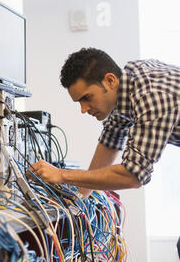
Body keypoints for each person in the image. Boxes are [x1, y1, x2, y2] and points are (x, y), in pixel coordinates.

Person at [29, 48, 180, 198]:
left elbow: (132, 176)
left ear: (110, 80)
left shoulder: (151, 96)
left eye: (87, 97)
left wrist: (62, 175)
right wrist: (79, 199)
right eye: (79, 102)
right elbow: (110, 142)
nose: (83, 109)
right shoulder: (128, 81)